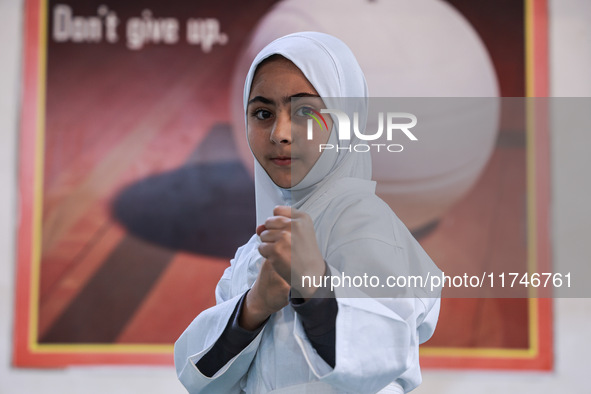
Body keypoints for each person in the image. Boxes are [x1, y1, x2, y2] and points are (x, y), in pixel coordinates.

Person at [174, 31, 441, 394]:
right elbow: (198, 378)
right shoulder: (255, 251)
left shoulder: (367, 227)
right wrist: (253, 307)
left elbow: (384, 356)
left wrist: (315, 287)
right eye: (263, 113)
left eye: (305, 112)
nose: (281, 133)